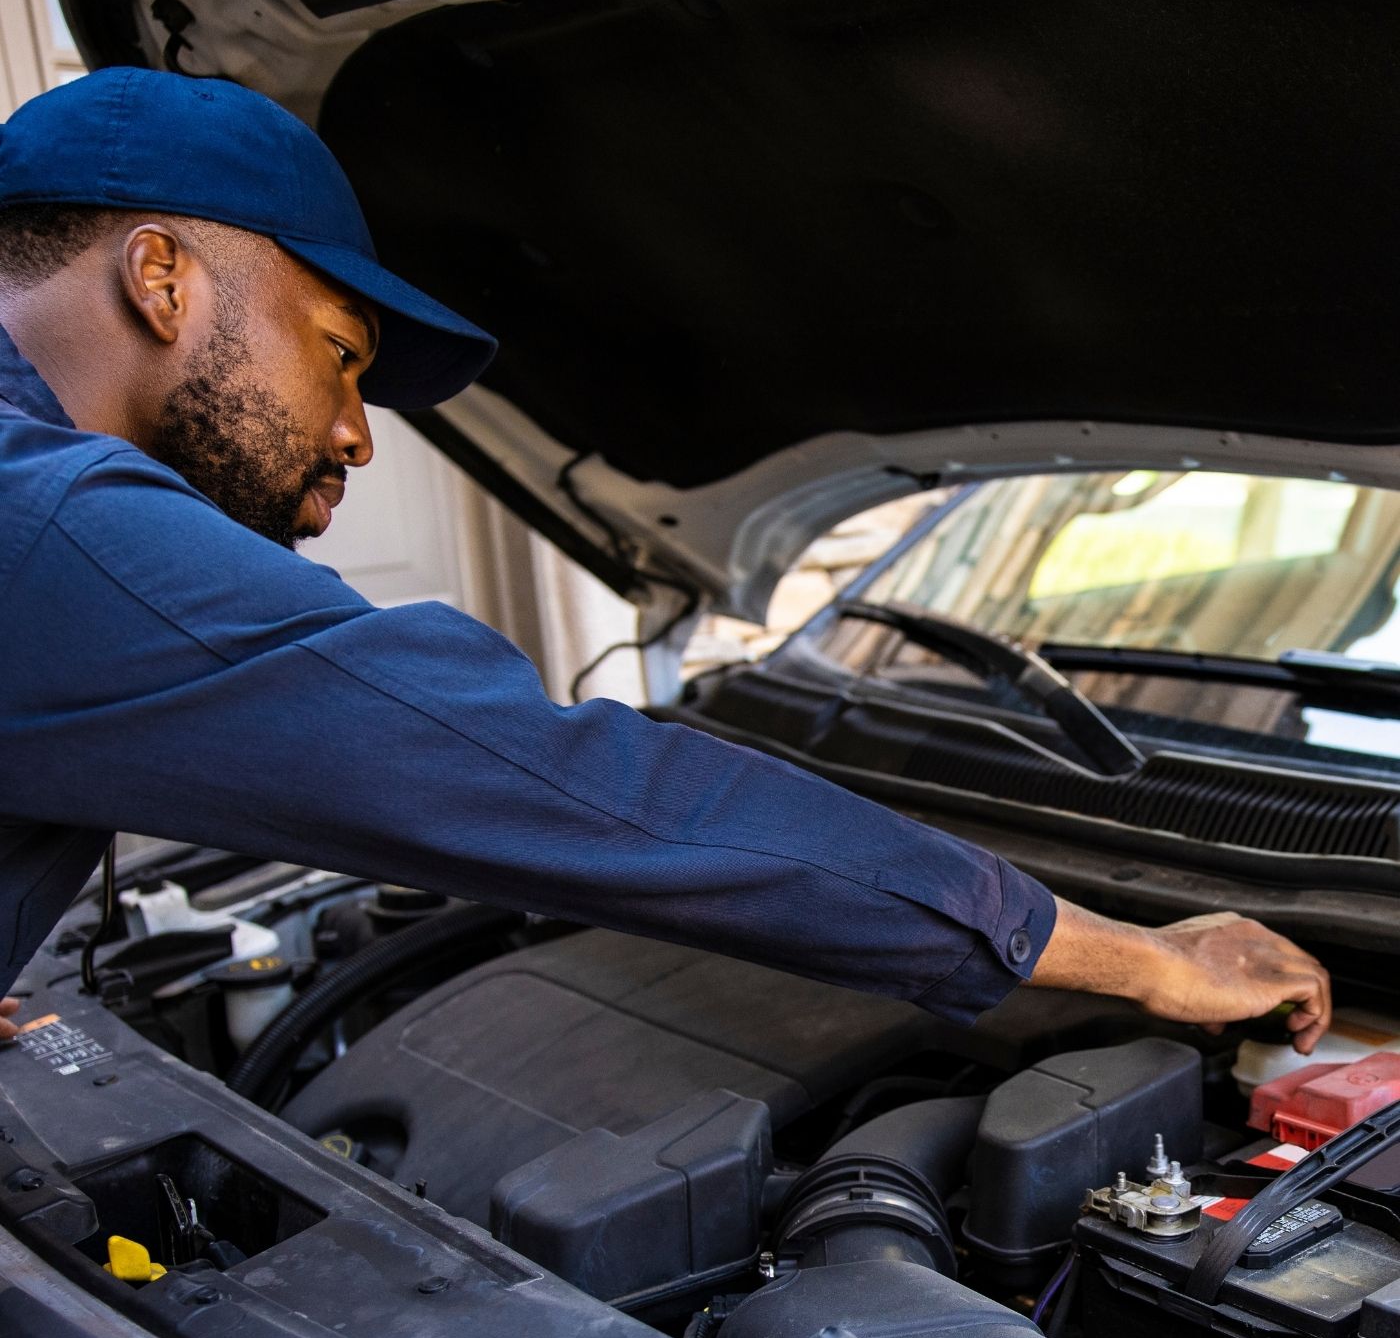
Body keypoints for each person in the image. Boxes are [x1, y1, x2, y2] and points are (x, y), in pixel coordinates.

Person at [0, 68, 1329, 1051]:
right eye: (340, 351)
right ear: (162, 278)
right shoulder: (51, 524)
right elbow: (569, 786)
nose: (355, 431)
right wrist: (1135, 958)